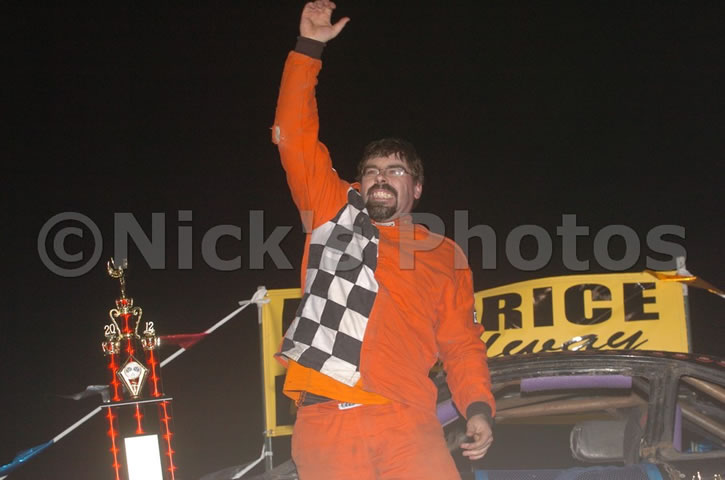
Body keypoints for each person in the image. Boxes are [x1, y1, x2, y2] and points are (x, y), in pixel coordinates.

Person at [271, 2, 495, 478]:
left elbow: (461, 342)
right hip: (327, 421)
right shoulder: (332, 209)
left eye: (395, 170)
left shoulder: (444, 254)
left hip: (408, 424)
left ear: (417, 188)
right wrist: (309, 49)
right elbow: (293, 136)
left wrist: (477, 406)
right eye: (372, 170)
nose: (380, 177)